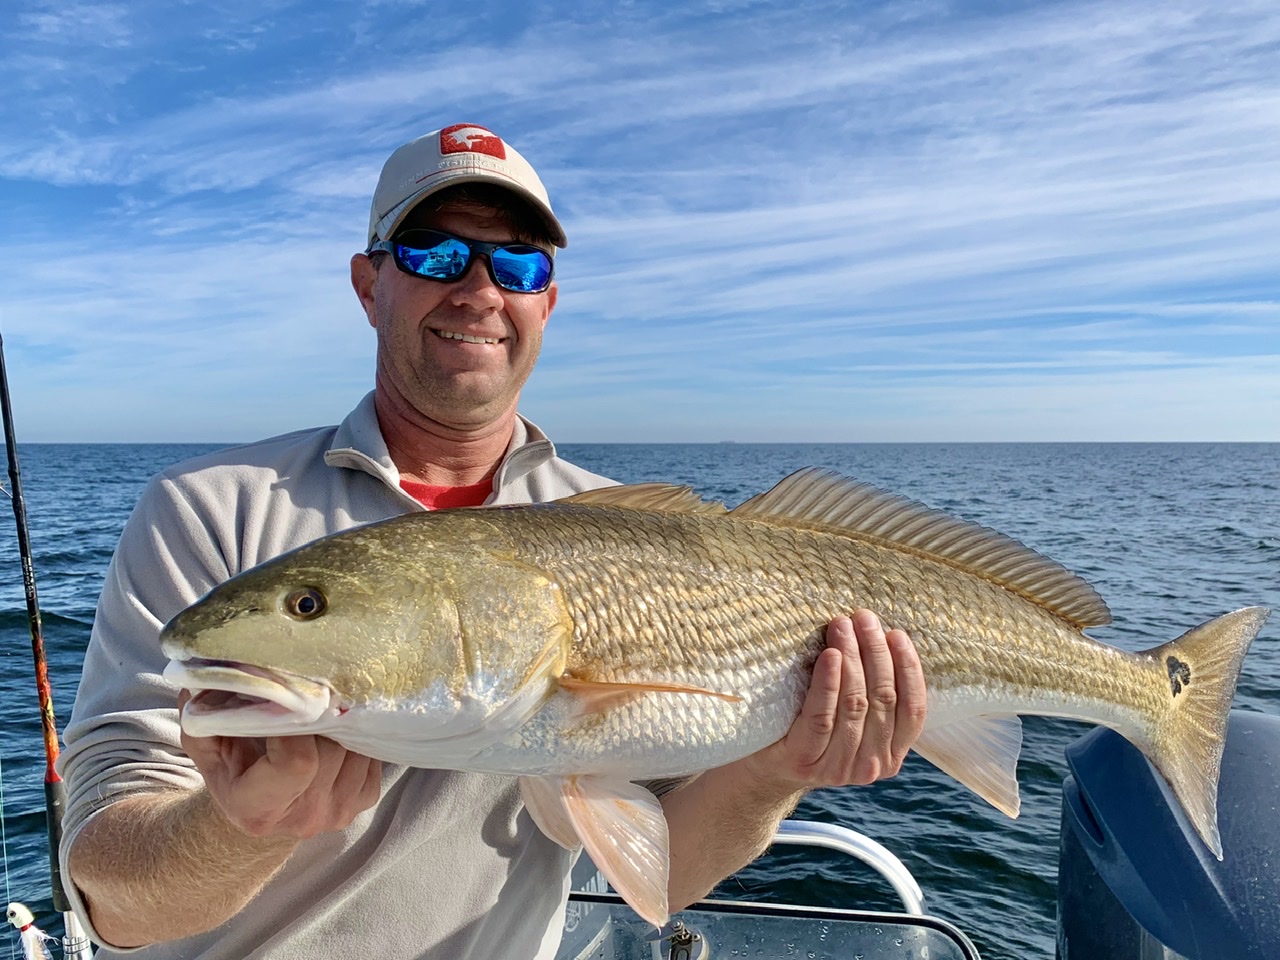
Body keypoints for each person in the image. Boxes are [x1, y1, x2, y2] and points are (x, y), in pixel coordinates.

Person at [58, 123, 928, 959]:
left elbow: (659, 875)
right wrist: (235, 828)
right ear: (370, 285)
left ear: (544, 300)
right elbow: (110, 900)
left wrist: (778, 772)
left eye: (516, 263)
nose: (478, 290)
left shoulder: (617, 523)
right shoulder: (210, 510)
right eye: (434, 253)